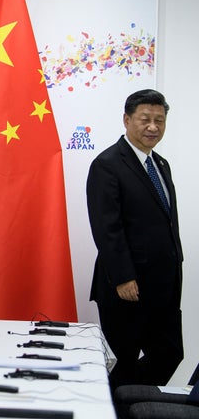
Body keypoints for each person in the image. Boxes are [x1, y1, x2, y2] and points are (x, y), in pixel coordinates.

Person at [86, 88, 183, 392]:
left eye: (160, 120)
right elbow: (107, 228)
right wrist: (124, 277)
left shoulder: (161, 164)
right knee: (126, 360)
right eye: (145, 119)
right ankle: (120, 405)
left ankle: (127, 400)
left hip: (163, 285)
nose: (153, 127)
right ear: (127, 120)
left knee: (169, 353)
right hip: (127, 287)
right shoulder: (108, 164)